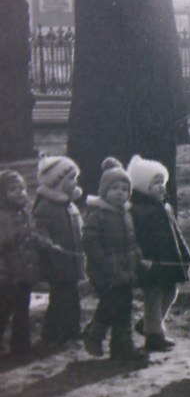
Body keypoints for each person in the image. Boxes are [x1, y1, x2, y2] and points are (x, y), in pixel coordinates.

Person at [0, 171, 76, 361]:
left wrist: (49, 245)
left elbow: (33, 235)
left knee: (21, 311)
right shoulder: (3, 216)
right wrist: (14, 236)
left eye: (22, 189)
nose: (19, 193)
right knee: (4, 310)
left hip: (24, 272)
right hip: (7, 274)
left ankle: (21, 347)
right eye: (12, 190)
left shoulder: (23, 213)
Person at [127, 156, 190, 352]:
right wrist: (140, 258)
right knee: (153, 294)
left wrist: (185, 254)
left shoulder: (165, 207)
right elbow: (132, 238)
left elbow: (176, 233)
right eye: (155, 183)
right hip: (151, 261)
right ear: (141, 186)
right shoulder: (137, 210)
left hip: (168, 258)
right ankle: (154, 335)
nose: (161, 188)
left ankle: (149, 324)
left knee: (171, 291)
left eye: (162, 183)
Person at [82, 158, 145, 361]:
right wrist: (104, 265)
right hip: (105, 272)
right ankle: (94, 332)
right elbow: (90, 242)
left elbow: (130, 241)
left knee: (124, 307)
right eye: (115, 188)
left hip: (125, 269)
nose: (120, 193)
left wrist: (138, 258)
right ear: (104, 191)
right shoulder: (98, 214)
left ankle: (121, 347)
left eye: (124, 189)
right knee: (112, 304)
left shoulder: (125, 213)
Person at [32, 155, 85, 349]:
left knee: (72, 296)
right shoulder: (46, 206)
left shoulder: (69, 204)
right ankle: (53, 332)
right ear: (57, 182)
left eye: (75, 179)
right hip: (56, 261)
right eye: (71, 179)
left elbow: (79, 229)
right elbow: (38, 231)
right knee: (61, 297)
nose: (74, 183)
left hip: (71, 260)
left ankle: (72, 329)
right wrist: (49, 244)